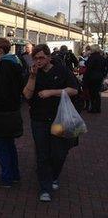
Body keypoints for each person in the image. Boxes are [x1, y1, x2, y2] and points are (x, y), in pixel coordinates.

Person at [22, 44, 78, 202]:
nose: (38, 61)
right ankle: (44, 188)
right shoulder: (33, 72)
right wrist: (32, 77)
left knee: (59, 153)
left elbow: (74, 89)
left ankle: (53, 176)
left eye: (41, 57)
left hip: (59, 119)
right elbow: (26, 95)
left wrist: (52, 92)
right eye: (35, 58)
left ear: (49, 57)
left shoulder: (61, 70)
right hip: (39, 120)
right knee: (42, 154)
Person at [0, 38, 24, 188]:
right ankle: (14, 175)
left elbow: (2, 90)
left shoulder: (3, 65)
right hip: (14, 110)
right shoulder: (16, 62)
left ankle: (6, 177)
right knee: (10, 145)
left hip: (3, 112)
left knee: (2, 147)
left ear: (1, 50)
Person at [83, 44, 105, 113]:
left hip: (91, 77)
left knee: (92, 93)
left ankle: (93, 108)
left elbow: (88, 67)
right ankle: (98, 108)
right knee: (97, 93)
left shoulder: (92, 57)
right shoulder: (101, 57)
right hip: (99, 77)